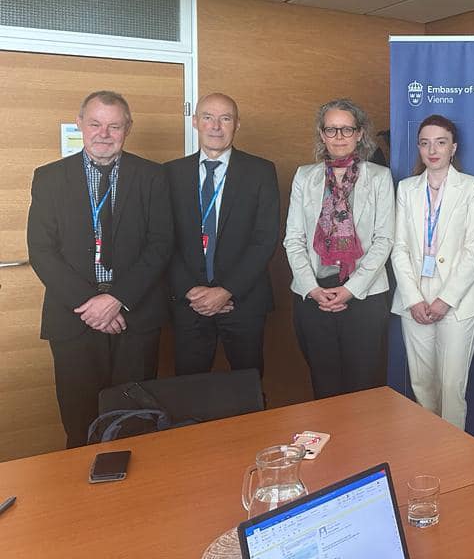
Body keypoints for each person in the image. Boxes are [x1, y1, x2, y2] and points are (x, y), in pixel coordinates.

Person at [27, 90, 173, 447]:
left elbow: (161, 244)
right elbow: (42, 250)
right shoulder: (49, 178)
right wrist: (91, 303)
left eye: (114, 126)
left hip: (135, 317)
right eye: (95, 124)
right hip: (73, 319)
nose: (104, 134)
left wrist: (116, 299)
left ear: (128, 128)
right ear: (80, 123)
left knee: (135, 423)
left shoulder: (152, 176)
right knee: (79, 423)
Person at [283, 99, 395, 398]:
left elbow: (384, 239)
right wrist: (312, 288)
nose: (339, 136)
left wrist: (350, 289)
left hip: (364, 295)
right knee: (324, 385)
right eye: (331, 129)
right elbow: (293, 238)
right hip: (313, 295)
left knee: (361, 388)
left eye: (347, 129)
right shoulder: (305, 176)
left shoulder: (379, 177)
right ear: (322, 134)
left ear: (360, 133)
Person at [165, 93, 280, 376]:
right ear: (195, 122)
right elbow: (163, 240)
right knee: (188, 386)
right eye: (208, 117)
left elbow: (265, 238)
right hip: (189, 303)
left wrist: (226, 290)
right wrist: (190, 291)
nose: (216, 126)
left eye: (225, 118)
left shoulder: (261, 171)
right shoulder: (170, 173)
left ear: (237, 124)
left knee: (248, 383)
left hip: (244, 301)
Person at [391, 114, 474, 430]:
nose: (432, 150)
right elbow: (399, 247)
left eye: (440, 142)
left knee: (451, 388)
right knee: (422, 386)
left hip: (458, 300)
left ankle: (452, 455)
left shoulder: (471, 187)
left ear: (453, 147)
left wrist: (446, 299)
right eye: (425, 143)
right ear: (419, 148)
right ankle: (427, 452)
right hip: (415, 297)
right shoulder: (406, 189)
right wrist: (413, 298)